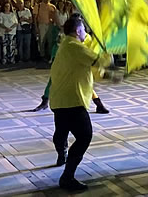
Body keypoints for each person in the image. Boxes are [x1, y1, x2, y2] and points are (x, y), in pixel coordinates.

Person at [49, 17, 111, 191]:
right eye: (84, 29)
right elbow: (100, 61)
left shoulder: (67, 45)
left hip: (60, 99)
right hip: (72, 101)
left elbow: (89, 67)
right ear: (77, 31)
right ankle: (67, 177)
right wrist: (108, 52)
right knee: (84, 136)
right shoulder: (74, 47)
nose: (86, 33)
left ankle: (62, 154)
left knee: (62, 131)